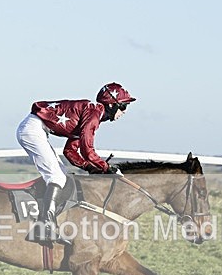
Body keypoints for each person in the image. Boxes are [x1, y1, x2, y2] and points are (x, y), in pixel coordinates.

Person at [16, 82, 136, 244]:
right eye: (123, 107)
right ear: (112, 105)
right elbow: (87, 150)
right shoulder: (94, 112)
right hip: (33, 129)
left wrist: (90, 168)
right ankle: (44, 228)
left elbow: (70, 152)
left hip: (37, 129)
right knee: (56, 177)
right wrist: (106, 168)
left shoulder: (92, 113)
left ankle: (45, 224)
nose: (124, 112)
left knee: (62, 176)